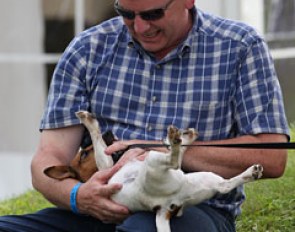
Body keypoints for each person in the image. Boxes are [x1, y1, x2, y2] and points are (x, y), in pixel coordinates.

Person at [0, 0, 289, 231]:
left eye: (152, 14)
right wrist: (79, 197)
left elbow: (271, 157)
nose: (139, 27)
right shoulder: (86, 49)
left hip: (185, 209)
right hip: (97, 210)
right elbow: (48, 159)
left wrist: (162, 151)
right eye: (126, 13)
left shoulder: (240, 46)